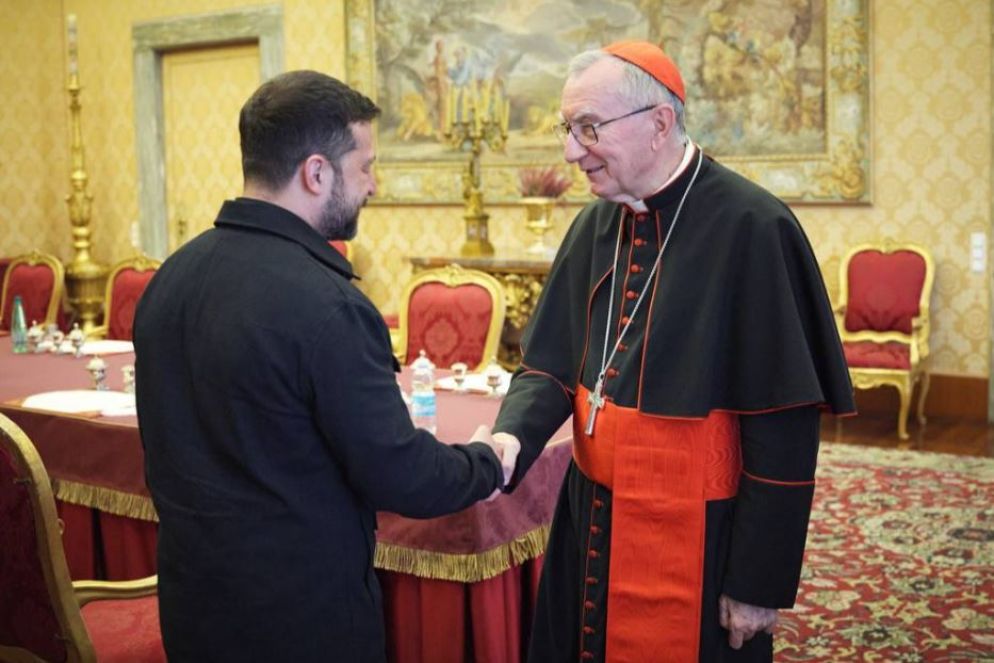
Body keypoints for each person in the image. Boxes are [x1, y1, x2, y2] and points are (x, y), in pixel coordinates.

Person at [133, 70, 519, 663]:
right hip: (301, 622)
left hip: (193, 610)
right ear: (317, 172)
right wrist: (485, 463)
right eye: (365, 166)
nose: (373, 184)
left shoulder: (170, 278)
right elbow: (401, 476)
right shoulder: (329, 305)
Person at [491, 42, 855, 662]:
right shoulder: (594, 224)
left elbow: (783, 433)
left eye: (588, 128)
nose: (571, 151)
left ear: (659, 124)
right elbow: (549, 367)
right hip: (593, 517)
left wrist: (756, 583)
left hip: (702, 536)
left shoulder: (754, 227)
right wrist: (510, 439)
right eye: (567, 129)